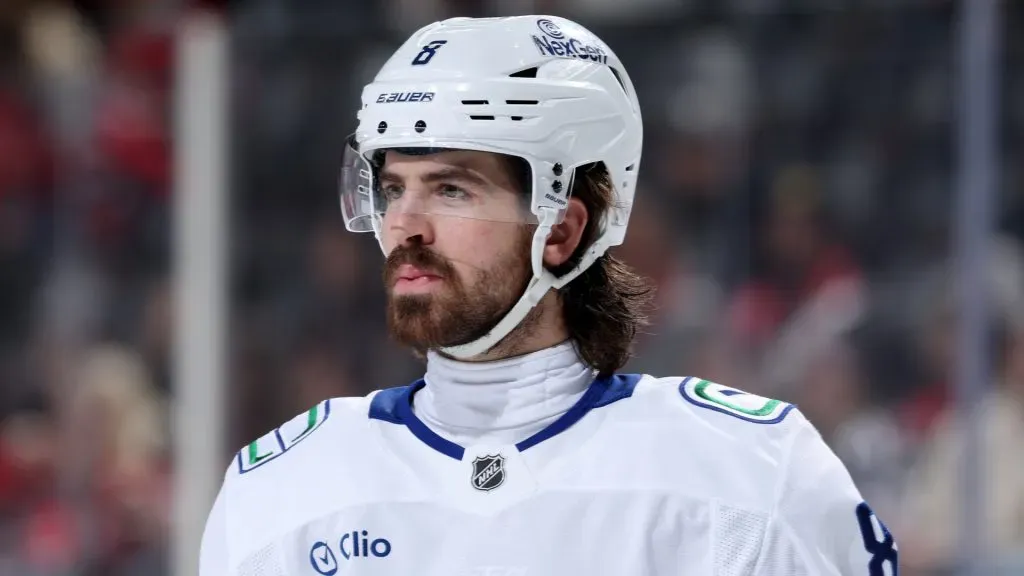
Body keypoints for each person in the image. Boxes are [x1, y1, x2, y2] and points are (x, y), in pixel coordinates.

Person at [199, 15, 898, 575]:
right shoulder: (286, 490)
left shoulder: (750, 475)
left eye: (450, 188)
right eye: (391, 189)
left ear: (562, 229)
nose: (404, 225)